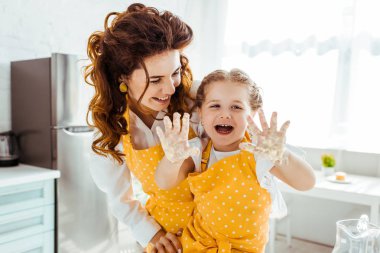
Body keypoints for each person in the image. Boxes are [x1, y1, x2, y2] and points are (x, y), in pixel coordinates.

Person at [154, 69, 316, 252]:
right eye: (215, 106)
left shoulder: (260, 152)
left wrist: (281, 156)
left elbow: (307, 183)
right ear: (200, 112)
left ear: (253, 113)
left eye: (236, 107)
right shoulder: (197, 150)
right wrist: (172, 160)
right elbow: (164, 182)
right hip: (198, 245)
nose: (225, 114)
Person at [85, 3, 199, 252]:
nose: (170, 88)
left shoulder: (198, 99)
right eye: (155, 79)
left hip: (215, 226)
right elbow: (120, 199)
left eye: (175, 73)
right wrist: (152, 233)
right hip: (170, 236)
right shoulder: (114, 128)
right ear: (122, 77)